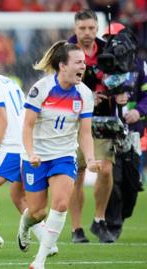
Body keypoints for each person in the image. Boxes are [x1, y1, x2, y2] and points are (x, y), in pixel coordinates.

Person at [17, 40, 101, 269]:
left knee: (61, 204)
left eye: (84, 62)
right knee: (37, 212)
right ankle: (25, 225)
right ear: (62, 66)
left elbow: (85, 133)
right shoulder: (41, 89)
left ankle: (39, 261)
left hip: (64, 156)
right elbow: (27, 127)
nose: (83, 67)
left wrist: (91, 159)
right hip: (36, 157)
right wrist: (31, 153)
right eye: (78, 62)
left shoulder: (84, 94)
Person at [0, 51, 57, 256]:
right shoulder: (10, 82)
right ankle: (48, 243)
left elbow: (2, 122)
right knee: (18, 196)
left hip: (11, 147)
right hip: (26, 145)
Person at [67, 9, 116, 243]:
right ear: (75, 29)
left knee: (106, 170)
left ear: (97, 28)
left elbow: (122, 77)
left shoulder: (109, 49)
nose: (87, 33)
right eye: (82, 28)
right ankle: (77, 229)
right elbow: (58, 83)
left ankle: (99, 219)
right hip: (74, 121)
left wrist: (117, 94)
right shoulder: (64, 52)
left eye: (91, 28)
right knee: (77, 174)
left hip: (105, 119)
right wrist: (87, 97)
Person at [102, 23, 147, 240]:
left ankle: (121, 215)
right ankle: (111, 225)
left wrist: (139, 111)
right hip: (109, 132)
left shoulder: (140, 66)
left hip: (134, 134)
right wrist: (111, 99)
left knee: (131, 183)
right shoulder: (102, 66)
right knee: (114, 179)